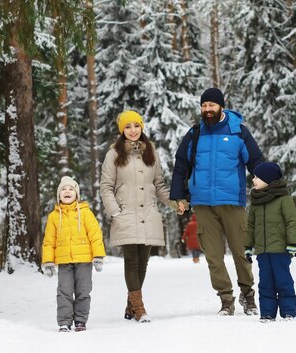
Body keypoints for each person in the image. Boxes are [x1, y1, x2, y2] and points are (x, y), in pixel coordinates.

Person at [170, 87, 264, 316]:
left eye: (211, 105)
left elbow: (256, 162)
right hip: (202, 204)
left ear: (221, 106)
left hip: (232, 201)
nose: (207, 110)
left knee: (242, 252)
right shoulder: (195, 134)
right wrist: (178, 196)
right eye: (204, 106)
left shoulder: (238, 132)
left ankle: (248, 294)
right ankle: (226, 298)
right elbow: (181, 165)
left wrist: (266, 185)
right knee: (213, 256)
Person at [100, 110, 175, 323]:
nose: (132, 130)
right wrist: (115, 211)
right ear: (122, 131)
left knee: (143, 262)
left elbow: (158, 185)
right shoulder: (113, 153)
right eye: (127, 127)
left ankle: (130, 305)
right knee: (131, 259)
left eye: (136, 125)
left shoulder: (151, 152)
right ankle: (140, 309)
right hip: (125, 213)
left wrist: (172, 202)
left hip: (148, 213)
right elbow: (106, 187)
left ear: (142, 127)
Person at [41, 176, 106, 332]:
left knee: (83, 290)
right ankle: (64, 321)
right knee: (64, 291)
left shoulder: (85, 213)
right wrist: (48, 261)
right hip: (64, 261)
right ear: (59, 195)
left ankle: (80, 320)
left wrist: (98, 256)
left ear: (77, 194)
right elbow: (49, 241)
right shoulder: (53, 216)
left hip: (84, 260)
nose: (67, 192)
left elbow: (95, 235)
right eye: (63, 189)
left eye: (71, 189)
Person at [244, 162, 296, 322]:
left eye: (256, 177)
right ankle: (267, 313)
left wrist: (292, 244)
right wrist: (248, 246)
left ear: (268, 179)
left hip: (281, 250)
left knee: (283, 280)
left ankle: (288, 311)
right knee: (265, 283)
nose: (253, 180)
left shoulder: (284, 199)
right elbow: (251, 226)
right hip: (262, 251)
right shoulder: (256, 201)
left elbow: (291, 222)